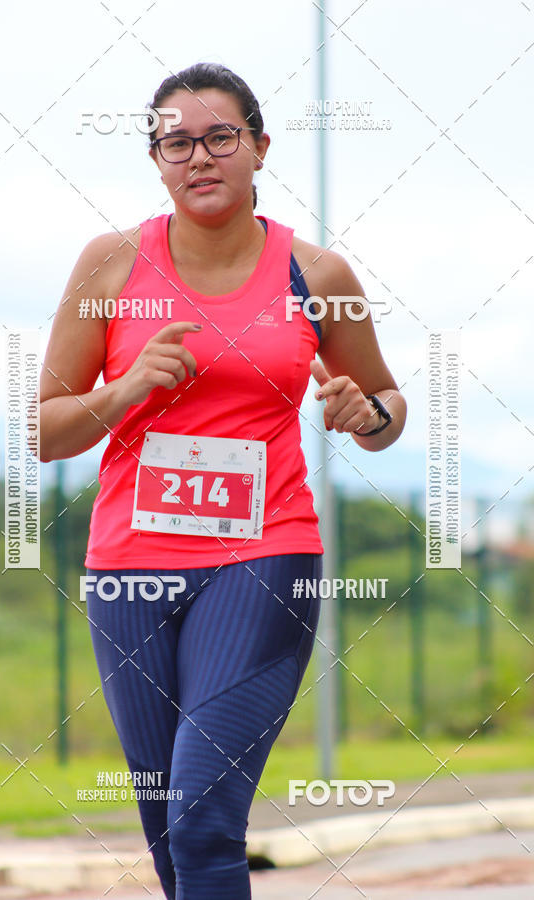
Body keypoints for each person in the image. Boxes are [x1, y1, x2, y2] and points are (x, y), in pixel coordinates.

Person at [39, 62, 406, 900]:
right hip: (130, 569)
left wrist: (367, 414)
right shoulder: (110, 266)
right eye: (176, 141)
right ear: (157, 158)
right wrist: (130, 388)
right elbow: (48, 431)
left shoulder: (319, 276)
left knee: (205, 816)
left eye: (219, 137)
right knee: (170, 830)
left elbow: (385, 403)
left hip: (263, 558)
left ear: (259, 149)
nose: (198, 156)